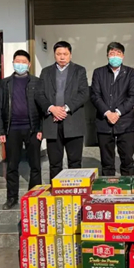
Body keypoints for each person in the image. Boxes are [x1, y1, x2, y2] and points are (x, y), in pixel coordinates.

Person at [0, 50, 48, 210]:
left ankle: (34, 196)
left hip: (32, 129)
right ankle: (11, 198)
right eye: (17, 61)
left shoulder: (37, 82)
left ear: (29, 64)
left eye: (24, 62)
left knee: (35, 165)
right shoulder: (5, 83)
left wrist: (41, 129)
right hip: (12, 129)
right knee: (12, 166)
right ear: (13, 63)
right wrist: (0, 131)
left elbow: (42, 107)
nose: (20, 64)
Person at [40, 41, 89, 178]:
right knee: (54, 163)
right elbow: (39, 94)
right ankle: (56, 189)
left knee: (75, 162)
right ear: (54, 55)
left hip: (73, 122)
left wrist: (65, 109)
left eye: (65, 54)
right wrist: (52, 109)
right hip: (52, 122)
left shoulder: (79, 71)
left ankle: (74, 189)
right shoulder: (46, 72)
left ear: (70, 55)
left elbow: (84, 93)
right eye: (59, 54)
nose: (62, 57)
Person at [90, 42, 134, 176]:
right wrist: (107, 113)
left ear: (123, 56)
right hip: (104, 123)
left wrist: (118, 112)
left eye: (118, 53)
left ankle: (128, 185)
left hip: (125, 122)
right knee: (107, 162)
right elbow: (95, 95)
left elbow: (133, 96)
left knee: (127, 160)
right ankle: (108, 186)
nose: (115, 56)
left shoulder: (130, 73)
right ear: (107, 55)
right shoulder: (99, 72)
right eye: (112, 53)